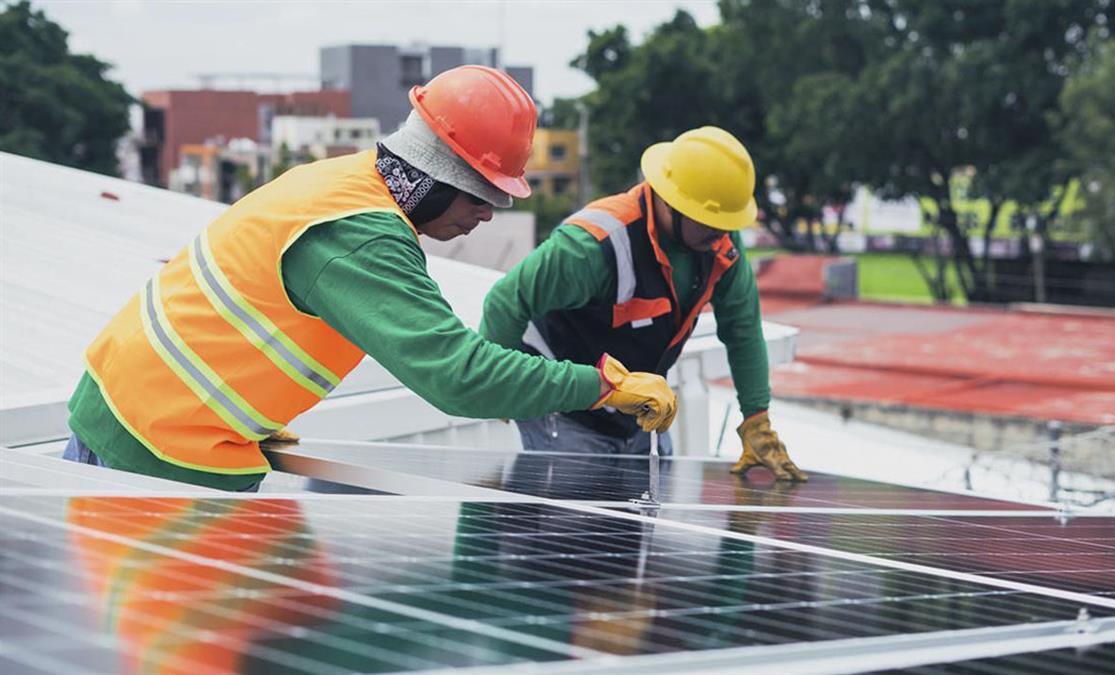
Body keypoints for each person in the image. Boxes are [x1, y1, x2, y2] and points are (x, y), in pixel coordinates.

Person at [62, 65, 676, 491]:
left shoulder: (345, 182)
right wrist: (602, 385)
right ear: (438, 173)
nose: (487, 214)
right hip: (154, 444)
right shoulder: (361, 236)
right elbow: (456, 377)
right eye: (482, 194)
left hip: (141, 411)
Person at [478, 126, 805, 481]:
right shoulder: (594, 245)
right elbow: (506, 301)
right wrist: (499, 388)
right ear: (671, 202)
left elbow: (742, 330)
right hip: (567, 410)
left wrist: (756, 419)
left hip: (641, 408)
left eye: (726, 224)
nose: (721, 234)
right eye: (711, 223)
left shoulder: (719, 245)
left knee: (641, 522)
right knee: (577, 522)